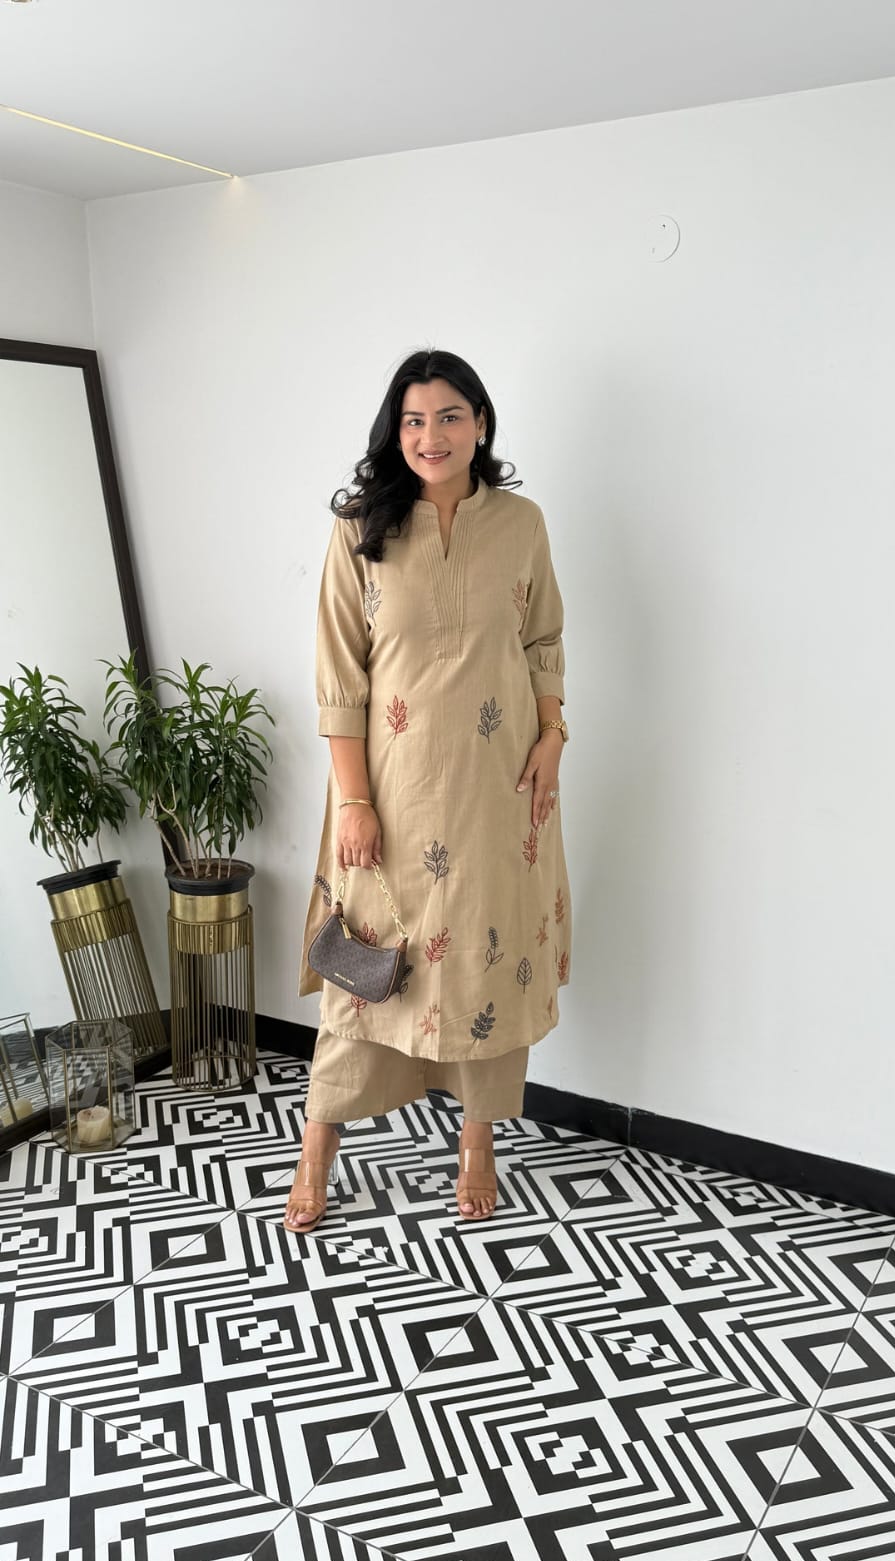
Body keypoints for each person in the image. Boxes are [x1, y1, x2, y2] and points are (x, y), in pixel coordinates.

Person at [288, 349, 570, 1232]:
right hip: (389, 794)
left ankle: (477, 1140)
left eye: (448, 416)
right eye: (413, 420)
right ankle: (316, 1146)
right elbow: (339, 679)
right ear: (395, 431)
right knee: (364, 968)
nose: (430, 435)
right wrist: (354, 803)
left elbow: (542, 640)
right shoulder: (359, 529)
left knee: (484, 958)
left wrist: (554, 735)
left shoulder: (520, 523)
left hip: (499, 793)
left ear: (480, 423)